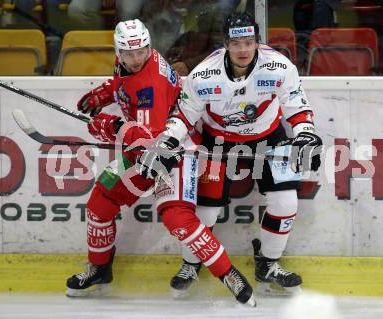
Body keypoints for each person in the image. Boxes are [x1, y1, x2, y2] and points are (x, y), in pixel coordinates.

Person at [65, 18, 256, 307]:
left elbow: (147, 137)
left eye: (140, 52)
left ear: (148, 47)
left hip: (175, 149)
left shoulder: (149, 85)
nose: (135, 58)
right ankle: (99, 269)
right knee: (100, 202)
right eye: (128, 54)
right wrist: (103, 94)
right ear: (119, 53)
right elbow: (122, 82)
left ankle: (229, 274)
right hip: (145, 147)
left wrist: (105, 125)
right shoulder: (138, 60)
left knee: (176, 217)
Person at [138, 12, 323, 296]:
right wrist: (166, 141)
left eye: (249, 42)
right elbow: (183, 117)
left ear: (257, 42)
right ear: (225, 44)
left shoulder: (279, 66)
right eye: (236, 43)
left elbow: (297, 107)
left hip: (270, 137)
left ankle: (269, 263)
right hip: (218, 144)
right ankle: (191, 262)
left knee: (286, 202)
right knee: (206, 212)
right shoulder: (203, 74)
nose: (243, 50)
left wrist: (306, 134)